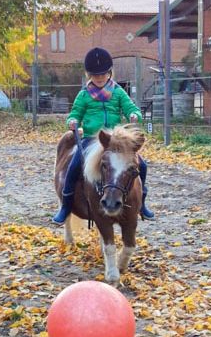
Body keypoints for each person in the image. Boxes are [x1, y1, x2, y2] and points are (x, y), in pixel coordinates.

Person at [52, 47, 154, 224]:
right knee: (73, 167)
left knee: (142, 166)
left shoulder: (118, 92)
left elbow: (131, 107)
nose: (99, 78)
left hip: (115, 141)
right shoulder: (84, 95)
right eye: (95, 75)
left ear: (109, 73)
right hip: (91, 138)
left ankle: (142, 203)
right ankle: (66, 206)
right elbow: (75, 112)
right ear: (88, 75)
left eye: (103, 74)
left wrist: (134, 115)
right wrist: (72, 120)